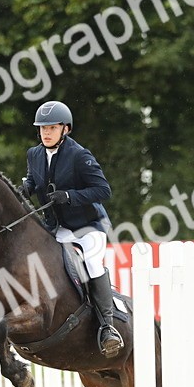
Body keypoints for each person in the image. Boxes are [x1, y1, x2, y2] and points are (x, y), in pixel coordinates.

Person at [22, 100, 124, 358]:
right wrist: (26, 187)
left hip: (88, 226)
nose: (46, 132)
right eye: (42, 128)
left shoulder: (80, 155)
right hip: (57, 227)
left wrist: (69, 197)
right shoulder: (34, 154)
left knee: (91, 262)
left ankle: (107, 327)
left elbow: (103, 190)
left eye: (52, 127)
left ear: (65, 129)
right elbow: (35, 179)